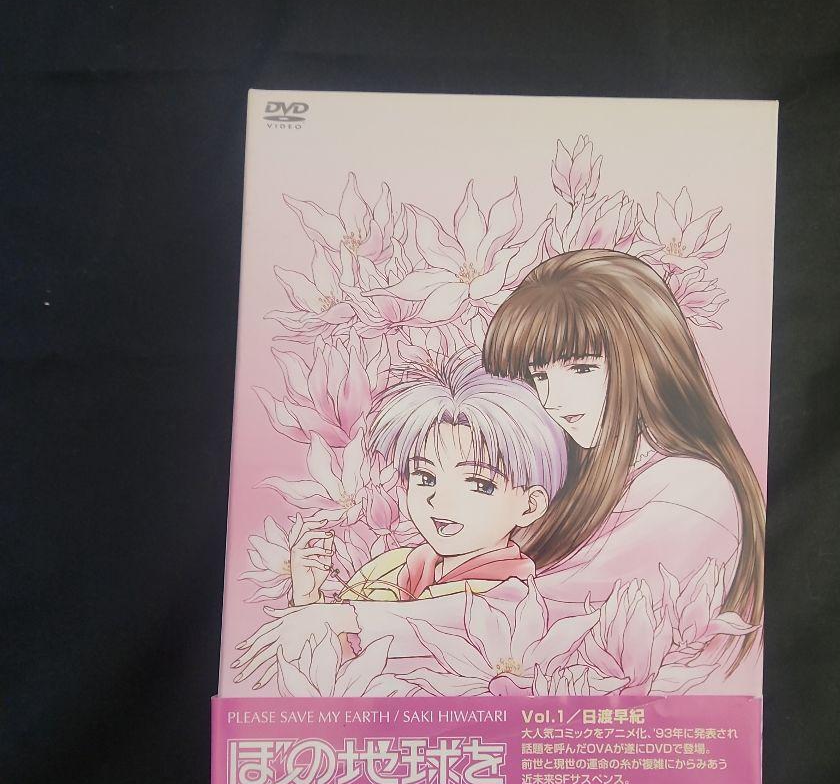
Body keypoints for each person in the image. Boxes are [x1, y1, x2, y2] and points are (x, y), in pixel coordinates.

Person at [232, 249, 764, 688]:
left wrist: (346, 618)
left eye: (582, 368)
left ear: (649, 359)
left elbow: (553, 614)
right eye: (540, 376)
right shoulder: (583, 480)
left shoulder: (692, 489)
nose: (555, 400)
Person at [288, 352, 565, 604]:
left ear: (530, 506)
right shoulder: (390, 567)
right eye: (425, 477)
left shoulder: (510, 598)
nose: (439, 500)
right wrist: (307, 597)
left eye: (479, 484)